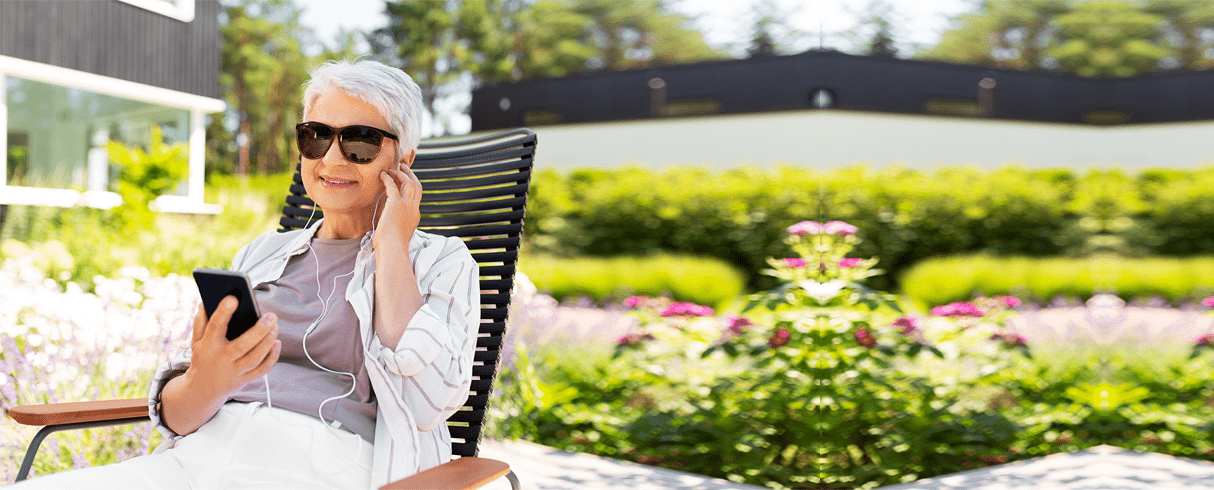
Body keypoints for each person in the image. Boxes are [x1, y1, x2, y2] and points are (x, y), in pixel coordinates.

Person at [12, 59, 480, 489]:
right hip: (200, 457)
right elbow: (179, 413)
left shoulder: (440, 262)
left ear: (404, 161)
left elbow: (428, 400)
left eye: (360, 142)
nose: (332, 159)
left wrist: (392, 245)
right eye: (316, 136)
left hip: (328, 466)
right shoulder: (261, 253)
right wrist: (206, 380)